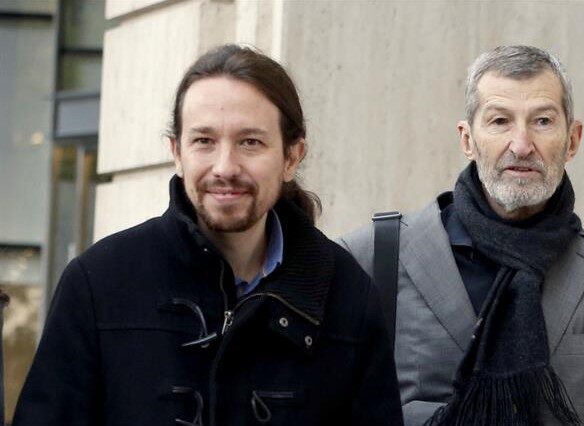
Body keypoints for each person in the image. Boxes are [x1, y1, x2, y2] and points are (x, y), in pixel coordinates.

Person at [14, 44, 403, 426]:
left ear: (291, 157)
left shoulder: (347, 294)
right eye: (204, 141)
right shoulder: (99, 282)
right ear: (177, 153)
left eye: (250, 142)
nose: (225, 167)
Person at [340, 45, 584, 426]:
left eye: (542, 121)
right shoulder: (371, 257)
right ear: (467, 139)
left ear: (572, 140)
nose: (521, 145)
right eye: (500, 121)